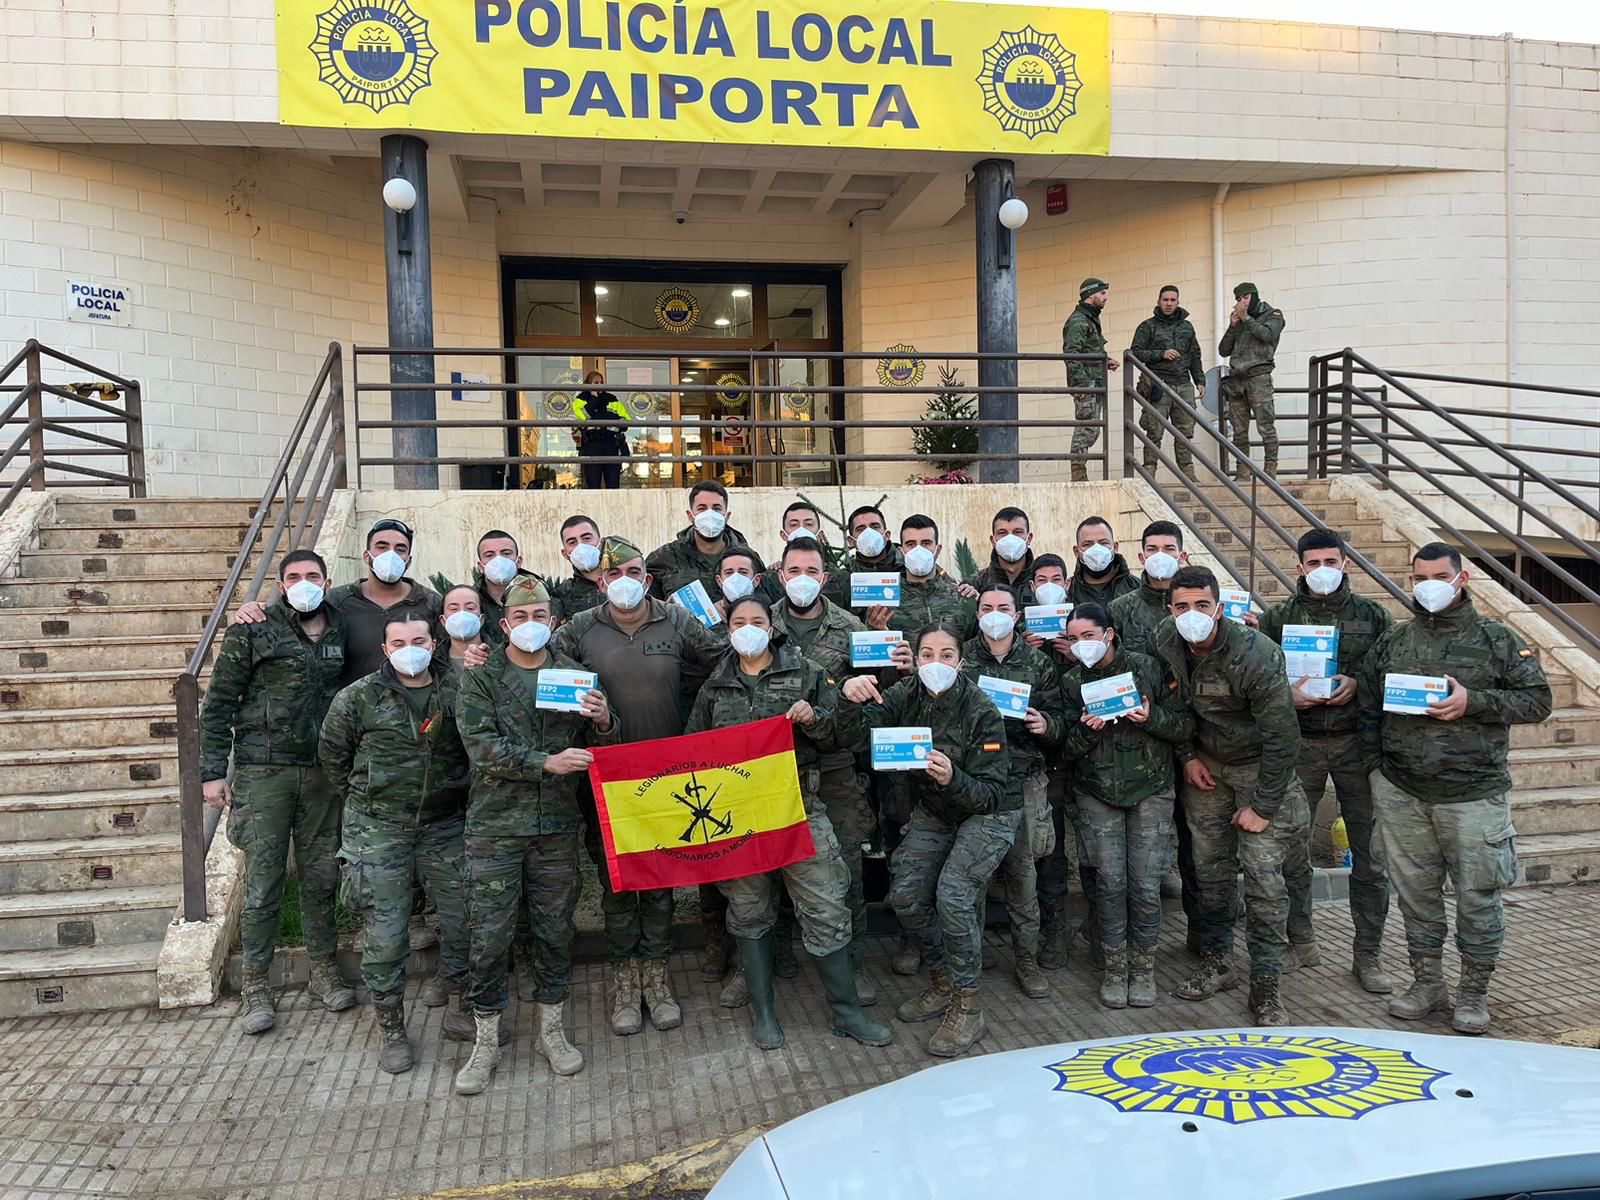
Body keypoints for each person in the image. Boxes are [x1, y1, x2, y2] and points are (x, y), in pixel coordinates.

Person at [1359, 543, 1551, 1035]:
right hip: (1403, 790)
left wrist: (1474, 702)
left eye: (1439, 575)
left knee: (1478, 897)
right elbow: (1366, 703)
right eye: (1419, 575)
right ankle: (1427, 983)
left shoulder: (1497, 640)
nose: (1427, 584)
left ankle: (1473, 991)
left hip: (1473, 794)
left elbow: (1536, 701)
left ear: (1461, 579)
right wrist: (1377, 767)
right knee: (1415, 896)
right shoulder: (1395, 640)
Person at [686, 595, 892, 1051]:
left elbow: (846, 736)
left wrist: (814, 719)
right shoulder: (714, 686)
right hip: (735, 817)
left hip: (799, 808)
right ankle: (764, 1013)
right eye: (739, 621)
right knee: (749, 910)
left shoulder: (805, 673)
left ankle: (846, 1013)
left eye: (756, 620)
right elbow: (690, 753)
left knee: (826, 905)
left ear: (770, 625)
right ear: (727, 627)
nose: (748, 628)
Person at [551, 536, 727, 1036]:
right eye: (612, 575)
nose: (622, 581)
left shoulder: (675, 618)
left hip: (668, 774)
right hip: (605, 777)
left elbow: (722, 660)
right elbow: (541, 674)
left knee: (661, 880)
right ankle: (624, 980)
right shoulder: (580, 630)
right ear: (600, 582)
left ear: (646, 577)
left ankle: (657, 976)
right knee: (618, 882)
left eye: (631, 571)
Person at [453, 579, 619, 1094]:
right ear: (504, 625)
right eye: (520, 615)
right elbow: (480, 747)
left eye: (540, 614)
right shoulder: (481, 677)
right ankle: (485, 1041)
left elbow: (601, 740)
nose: (531, 623)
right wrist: (544, 762)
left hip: (555, 830)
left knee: (554, 932)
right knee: (489, 937)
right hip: (496, 830)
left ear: (554, 620)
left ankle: (552, 1030)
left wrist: (604, 718)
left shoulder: (572, 676)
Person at [840, 623, 1014, 1058]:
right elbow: (863, 734)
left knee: (953, 896)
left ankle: (968, 1006)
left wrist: (953, 777)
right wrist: (849, 695)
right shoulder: (906, 695)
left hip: (987, 813)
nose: (937, 664)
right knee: (905, 899)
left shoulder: (982, 709)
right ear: (915, 659)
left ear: (962, 660)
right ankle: (942, 981)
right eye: (927, 654)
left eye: (947, 655)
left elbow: (992, 793)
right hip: (936, 811)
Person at [200, 549, 354, 1035]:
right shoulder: (253, 628)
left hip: (322, 772)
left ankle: (324, 970)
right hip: (263, 771)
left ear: (327, 582)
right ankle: (255, 984)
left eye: (312, 576)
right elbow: (220, 702)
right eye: (294, 577)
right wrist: (211, 773)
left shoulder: (341, 627)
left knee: (321, 875)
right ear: (281, 583)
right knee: (264, 882)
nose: (303, 583)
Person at [1152, 565, 1310, 1026]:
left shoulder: (1255, 653)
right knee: (1210, 875)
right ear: (1170, 609)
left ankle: (1266, 987)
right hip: (1207, 772)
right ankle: (1217, 962)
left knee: (1264, 883)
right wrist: (1187, 757)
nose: (1191, 614)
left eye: (1202, 605)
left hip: (1261, 772)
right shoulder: (1166, 640)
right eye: (1182, 606)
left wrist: (1262, 807)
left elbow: (1284, 738)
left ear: (1219, 608)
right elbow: (1170, 706)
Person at [318, 616, 472, 1074]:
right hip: (378, 830)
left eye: (419, 641)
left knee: (466, 919)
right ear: (386, 650)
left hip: (446, 825)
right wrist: (369, 798)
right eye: (400, 642)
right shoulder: (358, 697)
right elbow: (332, 755)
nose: (410, 649)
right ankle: (391, 1027)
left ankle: (463, 1009)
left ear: (434, 643)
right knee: (385, 937)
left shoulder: (459, 688)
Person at [1259, 530, 1395, 992]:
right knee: (1291, 851)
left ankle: (1368, 955)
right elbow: (1262, 679)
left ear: (1346, 563)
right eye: (1312, 561)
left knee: (1370, 856)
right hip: (1300, 746)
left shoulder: (1374, 616)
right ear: (1298, 567)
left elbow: (1389, 677)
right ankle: (1301, 941)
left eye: (1330, 560)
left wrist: (1358, 683)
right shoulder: (1279, 617)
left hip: (1356, 745)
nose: (1322, 569)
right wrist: (1286, 697)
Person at [1060, 604, 1190, 1009]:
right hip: (1097, 792)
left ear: (1110, 634)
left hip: (1151, 789)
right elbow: (1064, 747)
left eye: (1089, 636)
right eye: (1074, 638)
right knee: (1110, 884)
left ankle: (1143, 969)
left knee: (1147, 885)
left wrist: (1151, 718)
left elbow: (1184, 725)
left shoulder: (1148, 669)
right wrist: (1084, 731)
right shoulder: (1070, 682)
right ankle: (1115, 970)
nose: (1082, 645)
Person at [766, 540, 879, 1005]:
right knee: (770, 867)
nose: (803, 577)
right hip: (773, 770)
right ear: (781, 574)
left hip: (834, 767)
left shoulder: (850, 628)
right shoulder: (758, 624)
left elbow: (872, 699)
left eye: (812, 569)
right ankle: (777, 959)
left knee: (846, 866)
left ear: (825, 577)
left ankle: (851, 965)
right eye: (794, 569)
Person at [961, 584, 1064, 1000]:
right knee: (973, 877)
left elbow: (1060, 719)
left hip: (1022, 782)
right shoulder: (961, 658)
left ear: (1017, 615)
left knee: (1023, 877)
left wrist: (1048, 726)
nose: (995, 614)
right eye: (987, 607)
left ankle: (1027, 960)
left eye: (1003, 607)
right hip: (976, 784)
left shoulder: (1038, 663)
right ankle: (972, 958)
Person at [1107, 520, 1197, 948]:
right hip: (1142, 732)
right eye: (1153, 547)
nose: (1161, 553)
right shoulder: (1123, 608)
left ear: (1182, 554)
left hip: (1196, 728)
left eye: (1169, 547)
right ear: (1141, 555)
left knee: (1194, 831)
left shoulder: (1201, 603)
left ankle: (1200, 931)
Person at [233, 518, 440, 686]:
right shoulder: (335, 601)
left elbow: (447, 658)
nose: (391, 555)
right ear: (367, 557)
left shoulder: (430, 603)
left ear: (409, 560)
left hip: (413, 720)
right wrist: (253, 609)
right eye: (382, 546)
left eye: (400, 549)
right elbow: (287, 616)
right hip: (349, 719)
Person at [1129, 285, 1206, 478]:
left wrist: (1200, 380)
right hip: (1158, 384)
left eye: (1173, 300)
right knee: (1154, 432)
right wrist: (1160, 354)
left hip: (1183, 383)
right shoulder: (1147, 327)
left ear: (1178, 302)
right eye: (1165, 300)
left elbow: (1195, 355)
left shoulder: (1187, 327)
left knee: (1185, 432)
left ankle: (1188, 474)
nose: (1169, 304)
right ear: (1158, 302)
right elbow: (1135, 353)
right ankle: (1149, 473)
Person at [1218, 281, 1286, 480]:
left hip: (1259, 378)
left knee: (1266, 425)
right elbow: (1223, 350)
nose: (1242, 303)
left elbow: (1267, 335)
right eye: (1238, 299)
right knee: (1239, 430)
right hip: (1237, 380)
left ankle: (1270, 469)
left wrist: (1246, 318)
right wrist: (1232, 326)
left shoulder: (1273, 315)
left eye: (1245, 298)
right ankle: (1242, 471)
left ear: (1254, 296)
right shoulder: (1241, 320)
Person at [646, 479, 756, 600]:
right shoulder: (664, 558)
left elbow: (764, 600)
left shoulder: (748, 558)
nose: (709, 514)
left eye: (717, 508)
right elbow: (648, 607)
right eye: (702, 508)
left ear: (727, 516)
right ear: (690, 515)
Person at [869, 514, 970, 635]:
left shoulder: (959, 597)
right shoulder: (886, 600)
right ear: (901, 552)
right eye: (911, 544)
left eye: (926, 543)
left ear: (937, 550)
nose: (918, 550)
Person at [1062, 277, 1118, 482]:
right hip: (1087, 383)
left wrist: (1105, 360)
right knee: (1087, 426)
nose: (1106, 297)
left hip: (1095, 381)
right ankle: (1078, 471)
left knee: (1092, 428)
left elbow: (1090, 350)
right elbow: (1072, 353)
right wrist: (1081, 384)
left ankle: (1079, 468)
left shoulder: (1091, 319)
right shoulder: (1079, 321)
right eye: (1102, 293)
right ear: (1090, 295)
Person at [1107, 521, 1188, 658]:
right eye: (1152, 549)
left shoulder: (1198, 604)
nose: (1160, 556)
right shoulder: (1119, 609)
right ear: (1142, 558)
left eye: (1169, 549)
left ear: (1182, 557)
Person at [472, 530, 552, 638]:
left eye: (506, 553)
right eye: (490, 555)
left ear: (518, 561)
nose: (498, 559)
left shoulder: (544, 596)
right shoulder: (471, 603)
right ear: (480, 566)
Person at [962, 507, 1038, 605]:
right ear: (993, 541)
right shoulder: (974, 585)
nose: (1010, 538)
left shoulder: (1042, 582)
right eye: (1002, 533)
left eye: (1018, 532)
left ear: (1029, 538)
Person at [1065, 516, 1138, 610]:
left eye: (1103, 543)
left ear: (1115, 547)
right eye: (1087, 544)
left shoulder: (1137, 588)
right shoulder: (1066, 593)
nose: (1096, 550)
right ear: (1076, 551)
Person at [574, 370, 630, 490]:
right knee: (593, 484)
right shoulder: (581, 399)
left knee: (613, 484)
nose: (599, 384)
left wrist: (613, 420)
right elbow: (581, 418)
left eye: (601, 382)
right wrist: (593, 399)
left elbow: (626, 420)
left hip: (611, 444)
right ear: (589, 384)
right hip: (592, 445)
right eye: (596, 382)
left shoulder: (611, 399)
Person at [553, 514, 607, 619]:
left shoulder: (622, 582)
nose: (581, 546)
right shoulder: (562, 595)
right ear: (565, 554)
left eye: (587, 538)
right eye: (572, 542)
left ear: (601, 543)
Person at [438, 585, 489, 672]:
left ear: (481, 619)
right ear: (443, 620)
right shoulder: (433, 663)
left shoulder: (501, 656)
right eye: (453, 609)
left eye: (470, 608)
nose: (462, 613)